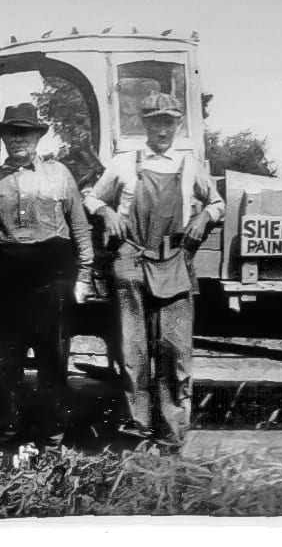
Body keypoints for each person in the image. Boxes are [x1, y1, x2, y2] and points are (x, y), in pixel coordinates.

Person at [83, 92, 225, 447]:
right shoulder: (123, 162)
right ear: (144, 124)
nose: (163, 129)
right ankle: (138, 426)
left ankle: (172, 432)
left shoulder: (191, 164)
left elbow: (218, 201)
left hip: (174, 260)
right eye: (156, 121)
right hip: (131, 261)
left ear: (177, 125)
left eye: (169, 122)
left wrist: (205, 215)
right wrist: (106, 212)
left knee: (174, 350)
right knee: (134, 349)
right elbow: (92, 196)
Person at [0, 102, 94, 445]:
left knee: (53, 356)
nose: (18, 140)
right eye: (12, 134)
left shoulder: (59, 174)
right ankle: (9, 429)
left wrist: (84, 275)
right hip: (8, 280)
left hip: (53, 276)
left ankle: (52, 431)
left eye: (26, 133)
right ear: (4, 138)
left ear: (38, 137)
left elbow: (79, 227)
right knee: (7, 358)